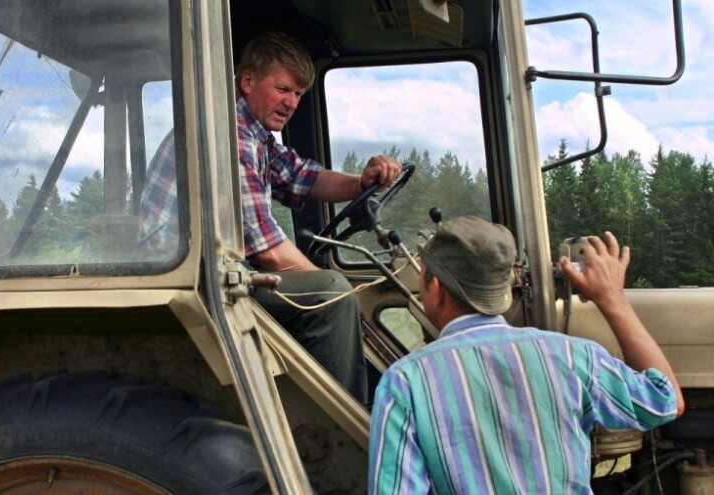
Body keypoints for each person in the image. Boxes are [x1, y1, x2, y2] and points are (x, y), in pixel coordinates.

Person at [139, 32, 403, 405]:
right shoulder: (230, 136)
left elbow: (303, 177)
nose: (292, 103)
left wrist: (361, 183)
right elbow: (270, 252)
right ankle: (344, 429)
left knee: (328, 289)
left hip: (212, 273)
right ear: (248, 81)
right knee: (330, 295)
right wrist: (327, 281)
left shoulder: (255, 135)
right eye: (283, 89)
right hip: (190, 285)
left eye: (298, 94)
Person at [368, 216, 684, 494]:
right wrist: (613, 298)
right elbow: (666, 401)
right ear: (503, 288)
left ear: (434, 287)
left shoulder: (404, 383)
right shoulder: (573, 356)